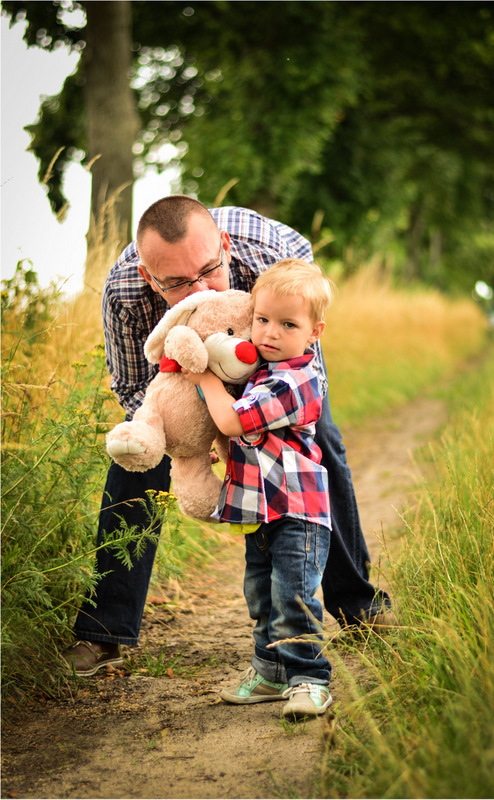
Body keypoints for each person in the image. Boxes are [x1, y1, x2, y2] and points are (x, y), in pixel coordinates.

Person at [64, 195, 395, 677]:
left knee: (319, 444)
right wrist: (178, 436)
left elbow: (304, 379)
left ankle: (357, 605)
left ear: (223, 246)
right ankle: (102, 631)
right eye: (176, 282)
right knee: (134, 456)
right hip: (184, 384)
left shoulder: (264, 257)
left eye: (208, 271)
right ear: (149, 278)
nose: (197, 288)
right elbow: (135, 386)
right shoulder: (124, 294)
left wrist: (242, 425)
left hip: (275, 360)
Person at [181, 258, 333, 718]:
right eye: (262, 320)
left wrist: (201, 373)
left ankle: (309, 680)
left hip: (298, 512)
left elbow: (231, 417)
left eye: (288, 324)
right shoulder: (264, 372)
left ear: (314, 333)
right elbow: (243, 434)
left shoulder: (295, 380)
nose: (269, 332)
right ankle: (269, 673)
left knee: (293, 597)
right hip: (262, 508)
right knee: (262, 596)